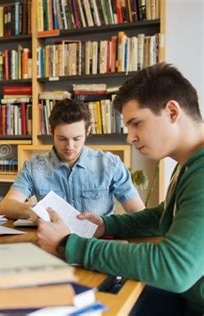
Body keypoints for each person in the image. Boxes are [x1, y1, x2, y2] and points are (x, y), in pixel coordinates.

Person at [37, 63, 203, 315]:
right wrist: (106, 225)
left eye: (137, 124)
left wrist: (69, 243)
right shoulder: (189, 164)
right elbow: (164, 214)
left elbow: (174, 268)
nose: (130, 137)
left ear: (171, 111)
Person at [0, 98, 144, 219]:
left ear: (87, 131)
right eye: (62, 138)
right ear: (52, 132)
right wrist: (33, 211)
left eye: (77, 138)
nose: (69, 146)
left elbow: (138, 212)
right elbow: (6, 206)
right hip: (51, 243)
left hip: (98, 244)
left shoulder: (110, 165)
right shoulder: (33, 167)